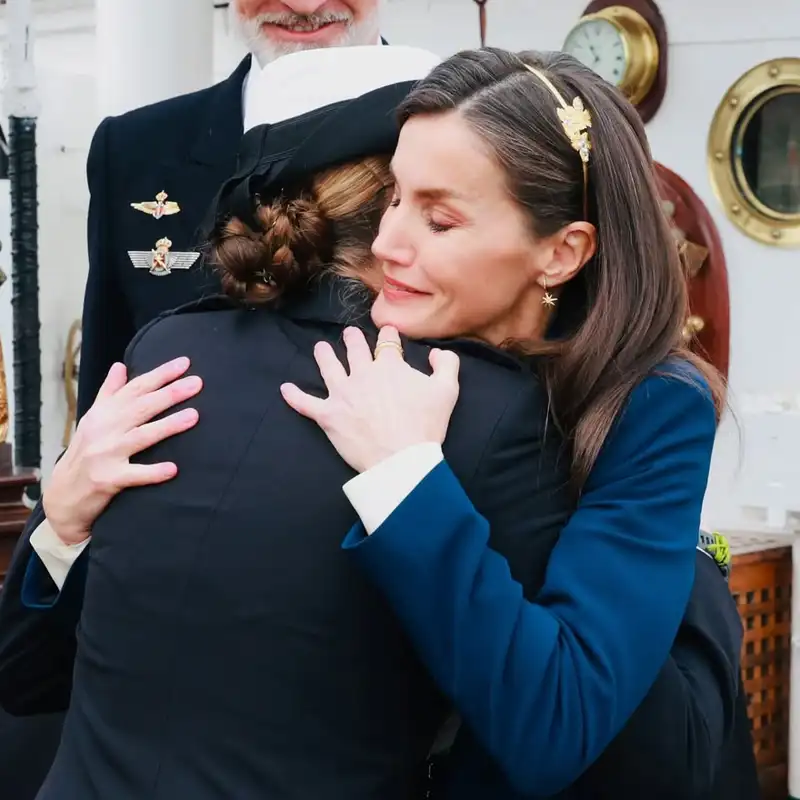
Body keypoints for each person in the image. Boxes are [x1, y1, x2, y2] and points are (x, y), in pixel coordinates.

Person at [0, 46, 748, 798]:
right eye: (394, 199)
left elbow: (581, 722)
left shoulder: (646, 402)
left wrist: (407, 482)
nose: (387, 245)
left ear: (561, 253)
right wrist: (61, 521)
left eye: (440, 219)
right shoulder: (338, 358)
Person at [0, 4, 388, 798]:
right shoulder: (136, 148)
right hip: (158, 651)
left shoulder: (474, 126)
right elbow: (111, 386)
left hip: (370, 626)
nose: (306, 2)